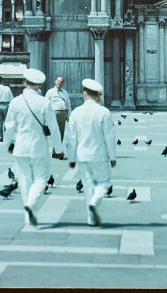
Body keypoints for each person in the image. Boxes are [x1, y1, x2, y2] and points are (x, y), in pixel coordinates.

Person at [2, 68, 63, 227]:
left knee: (24, 181)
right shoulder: (44, 102)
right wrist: (58, 149)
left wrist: (6, 144)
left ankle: (28, 217)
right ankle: (31, 205)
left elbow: (9, 127)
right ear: (39, 85)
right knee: (41, 179)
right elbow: (54, 127)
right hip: (39, 146)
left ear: (24, 82)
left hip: (20, 146)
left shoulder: (15, 102)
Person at [64, 78, 117, 226]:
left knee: (88, 186)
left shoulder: (76, 113)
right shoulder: (104, 112)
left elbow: (71, 139)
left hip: (82, 155)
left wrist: (71, 158)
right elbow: (110, 137)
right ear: (98, 95)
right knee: (104, 183)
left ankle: (91, 219)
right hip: (99, 154)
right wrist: (112, 157)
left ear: (85, 94)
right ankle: (95, 202)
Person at [46, 75, 72, 141]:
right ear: (55, 81)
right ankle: (55, 146)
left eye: (61, 81)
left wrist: (69, 116)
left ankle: (60, 145)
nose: (60, 83)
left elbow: (68, 104)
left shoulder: (65, 92)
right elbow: (46, 104)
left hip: (63, 114)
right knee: (54, 131)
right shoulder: (50, 92)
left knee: (62, 131)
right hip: (54, 114)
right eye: (58, 81)